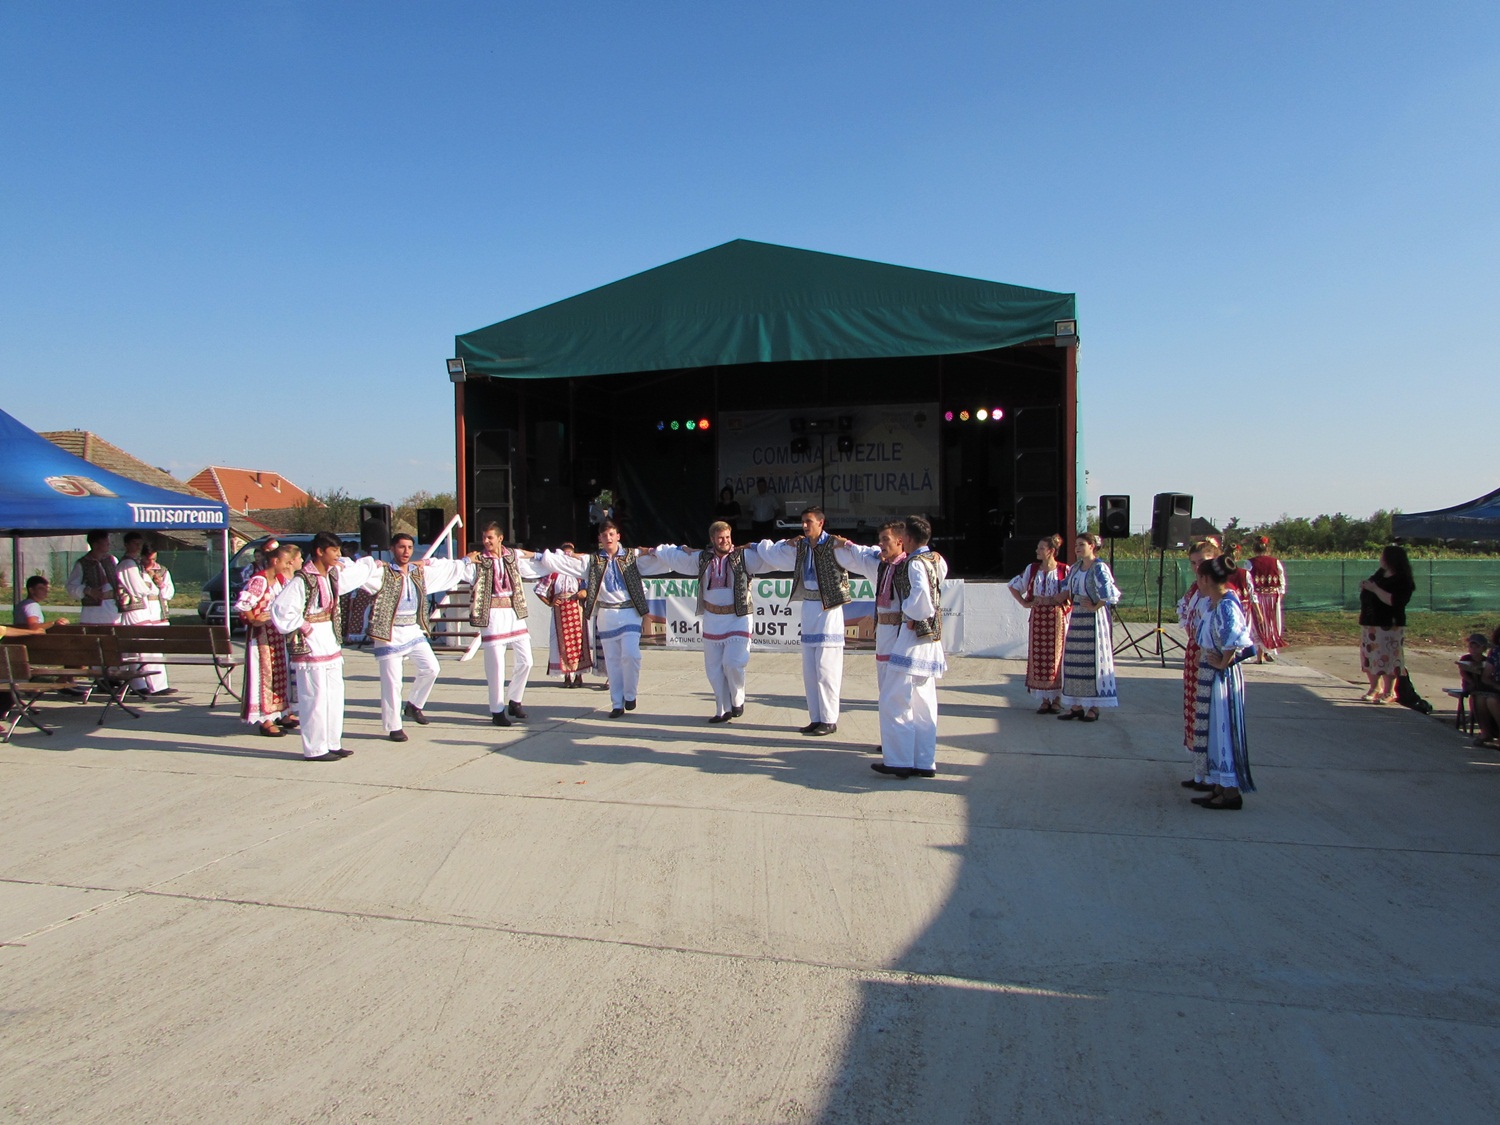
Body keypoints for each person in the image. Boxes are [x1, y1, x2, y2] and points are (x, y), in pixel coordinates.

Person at [538, 519, 676, 718]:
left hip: (630, 611)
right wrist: (539, 556)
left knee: (631, 655)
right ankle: (617, 703)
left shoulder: (632, 557)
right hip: (606, 614)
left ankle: (630, 694)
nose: (608, 538)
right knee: (612, 660)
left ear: (618, 536)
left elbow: (661, 562)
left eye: (611, 534)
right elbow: (565, 562)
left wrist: (667, 552)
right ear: (600, 539)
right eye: (604, 535)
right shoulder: (593, 561)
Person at [269, 531, 382, 761]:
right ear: (320, 552)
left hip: (329, 639)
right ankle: (315, 748)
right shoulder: (302, 580)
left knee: (334, 694)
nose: (338, 555)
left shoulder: (332, 576)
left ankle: (332, 742)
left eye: (339, 550)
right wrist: (304, 626)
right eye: (333, 550)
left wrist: (372, 566)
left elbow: (355, 575)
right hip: (311, 642)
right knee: (315, 697)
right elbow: (281, 609)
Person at [753, 507, 864, 735]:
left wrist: (850, 544)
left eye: (809, 522)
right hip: (809, 609)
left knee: (827, 670)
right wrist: (756, 546)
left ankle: (830, 719)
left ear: (821, 523)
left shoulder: (835, 545)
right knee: (810, 671)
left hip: (829, 611)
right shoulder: (801, 546)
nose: (804, 526)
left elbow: (861, 557)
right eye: (803, 521)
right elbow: (773, 552)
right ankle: (816, 717)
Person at [652, 522, 776, 723]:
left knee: (733, 663)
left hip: (738, 618)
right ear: (712, 539)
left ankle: (737, 699)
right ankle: (723, 709)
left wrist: (765, 546)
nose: (725, 541)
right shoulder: (702, 559)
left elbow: (771, 559)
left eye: (727, 537)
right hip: (712, 619)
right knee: (714, 669)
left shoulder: (744, 557)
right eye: (720, 538)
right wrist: (655, 551)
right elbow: (675, 557)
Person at [360, 533, 470, 741]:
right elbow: (361, 574)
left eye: (410, 547)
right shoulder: (382, 572)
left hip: (412, 629)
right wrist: (369, 564)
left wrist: (464, 561)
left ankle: (414, 704)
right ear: (392, 549)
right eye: (401, 547)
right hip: (390, 632)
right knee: (393, 682)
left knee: (431, 668)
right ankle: (394, 726)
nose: (406, 551)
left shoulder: (416, 572)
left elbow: (443, 569)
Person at [872, 515, 948, 779]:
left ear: (908, 538)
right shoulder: (936, 560)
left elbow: (922, 600)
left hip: (913, 636)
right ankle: (924, 761)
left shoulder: (914, 563)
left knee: (894, 697)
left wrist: (910, 611)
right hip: (931, 638)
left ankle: (899, 760)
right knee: (923, 701)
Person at [833, 520, 909, 753]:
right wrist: (846, 544)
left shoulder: (910, 566)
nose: (881, 544)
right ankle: (890, 741)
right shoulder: (880, 565)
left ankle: (903, 743)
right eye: (880, 540)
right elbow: (863, 553)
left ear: (900, 541)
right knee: (885, 690)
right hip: (884, 637)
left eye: (886, 539)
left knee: (902, 692)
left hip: (902, 636)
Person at [464, 523, 547, 727]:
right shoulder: (479, 560)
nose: (486, 541)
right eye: (484, 537)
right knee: (496, 666)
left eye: (490, 537)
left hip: (513, 611)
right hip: (492, 614)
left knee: (526, 660)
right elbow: (460, 571)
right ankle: (497, 710)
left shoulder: (512, 556)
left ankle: (515, 700)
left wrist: (543, 556)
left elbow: (532, 559)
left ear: (500, 538)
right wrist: (465, 561)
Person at [1190, 556, 1256, 810]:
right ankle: (1219, 784)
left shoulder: (1227, 605)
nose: (1198, 582)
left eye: (1199, 577)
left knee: (1223, 728)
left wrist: (1222, 662)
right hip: (1211, 673)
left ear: (1206, 579)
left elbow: (1237, 638)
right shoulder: (1214, 603)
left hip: (1222, 678)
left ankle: (1230, 791)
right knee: (1212, 730)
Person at [236, 543, 301, 737]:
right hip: (261, 637)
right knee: (264, 675)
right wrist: (254, 620)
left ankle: (282, 712)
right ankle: (265, 719)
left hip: (276, 635)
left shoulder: (279, 580)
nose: (287, 566)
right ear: (275, 560)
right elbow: (243, 603)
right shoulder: (260, 580)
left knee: (280, 673)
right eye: (285, 562)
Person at [1058, 532, 1121, 721]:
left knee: (1093, 660)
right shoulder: (1076, 568)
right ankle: (1076, 705)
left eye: (1081, 545)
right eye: (1076, 545)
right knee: (1074, 660)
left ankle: (1094, 707)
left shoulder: (1099, 567)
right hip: (1077, 617)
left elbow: (1109, 593)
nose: (1077, 548)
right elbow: (1065, 588)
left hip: (1093, 619)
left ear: (1092, 546)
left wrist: (1095, 606)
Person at [1007, 534, 1070, 714]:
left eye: (1041, 548)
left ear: (1051, 551)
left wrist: (1062, 596)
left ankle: (1056, 699)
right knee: (1039, 655)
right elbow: (1013, 585)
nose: (1037, 551)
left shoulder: (1064, 570)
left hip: (1057, 618)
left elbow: (1072, 589)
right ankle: (1044, 699)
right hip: (1038, 617)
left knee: (1057, 656)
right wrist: (1024, 603)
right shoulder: (1033, 569)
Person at [1177, 539, 1218, 789]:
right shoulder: (1195, 589)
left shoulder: (1220, 591)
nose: (1197, 567)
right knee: (1194, 710)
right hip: (1194, 653)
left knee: (1209, 713)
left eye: (1202, 562)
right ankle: (1200, 772)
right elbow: (1186, 617)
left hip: (1210, 656)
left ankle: (1213, 774)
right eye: (1193, 563)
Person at [115, 540, 176, 696]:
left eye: (154, 559)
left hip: (156, 615)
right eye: (148, 559)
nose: (151, 563)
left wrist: (160, 584)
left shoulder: (161, 570)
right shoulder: (134, 568)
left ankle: (157, 684)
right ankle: (140, 684)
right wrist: (150, 585)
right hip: (140, 614)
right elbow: (139, 589)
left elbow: (168, 594)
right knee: (139, 650)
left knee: (153, 650)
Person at [1358, 545, 1416, 704]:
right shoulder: (1380, 574)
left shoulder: (1402, 579)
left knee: (1388, 656)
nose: (1380, 559)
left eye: (1383, 555)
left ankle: (1389, 691)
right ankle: (1374, 687)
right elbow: (1371, 585)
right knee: (1370, 656)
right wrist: (1366, 586)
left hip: (1389, 624)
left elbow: (1394, 601)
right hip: (1370, 622)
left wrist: (1374, 589)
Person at [533, 543, 592, 688]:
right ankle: (567, 675)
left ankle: (579, 675)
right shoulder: (553, 572)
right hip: (560, 611)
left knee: (578, 642)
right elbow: (539, 589)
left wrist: (584, 593)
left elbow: (590, 588)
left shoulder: (579, 572)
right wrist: (550, 602)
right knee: (562, 644)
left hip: (577, 609)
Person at [65, 530, 121, 624]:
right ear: (95, 545)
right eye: (105, 541)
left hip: (113, 611)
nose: (108, 543)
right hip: (92, 614)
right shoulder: (82, 564)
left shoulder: (112, 560)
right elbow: (71, 587)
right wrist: (88, 591)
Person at [1246, 535, 1287, 662]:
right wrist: (1278, 596)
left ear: (1254, 549)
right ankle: (1264, 652)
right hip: (1272, 598)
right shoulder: (1275, 562)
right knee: (1270, 624)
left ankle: (1260, 654)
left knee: (1257, 624)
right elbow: (1282, 583)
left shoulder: (1250, 563)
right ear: (1267, 548)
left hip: (1257, 597)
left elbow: (1248, 582)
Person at [1468, 626, 1500, 748]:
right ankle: (1486, 733)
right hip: (1497, 687)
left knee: (1492, 701)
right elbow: (1485, 677)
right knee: (1479, 698)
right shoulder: (1495, 652)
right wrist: (1496, 686)